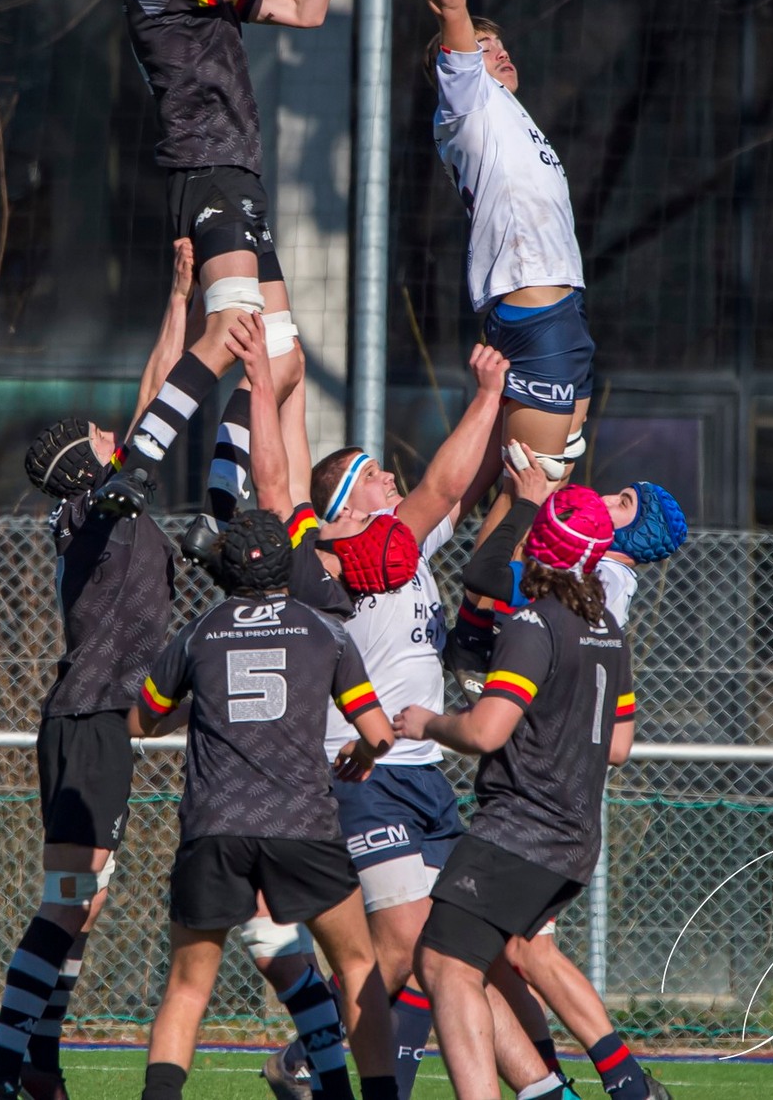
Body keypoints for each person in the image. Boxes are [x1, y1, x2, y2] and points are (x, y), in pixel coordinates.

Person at [0, 244, 324, 1100]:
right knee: (67, 900)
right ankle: (2, 1064)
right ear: (86, 466)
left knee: (81, 900)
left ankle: (36, 1064)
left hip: (91, 723)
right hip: (89, 724)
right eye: (98, 437)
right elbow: (161, 404)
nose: (112, 428)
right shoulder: (98, 506)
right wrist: (216, 343)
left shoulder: (101, 508)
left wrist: (175, 296)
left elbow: (148, 394)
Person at [94, 0, 365, 521]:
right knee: (228, 334)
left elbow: (305, 8)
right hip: (207, 172)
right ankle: (135, 463)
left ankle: (217, 512)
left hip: (234, 177)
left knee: (282, 361)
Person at [303, 347, 525, 1100]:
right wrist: (490, 388)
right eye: (373, 473)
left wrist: (518, 420)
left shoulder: (406, 544)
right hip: (361, 772)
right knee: (401, 944)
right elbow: (443, 482)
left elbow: (467, 481)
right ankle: (315, 1058)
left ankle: (336, 1063)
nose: (389, 478)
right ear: (344, 503)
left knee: (453, 943)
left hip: (423, 772)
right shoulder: (346, 554)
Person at [392, 487, 659, 1100]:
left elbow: (486, 729)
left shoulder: (534, 624)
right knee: (484, 959)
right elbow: (619, 746)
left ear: (538, 546)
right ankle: (591, 1087)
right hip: (573, 839)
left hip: (517, 833)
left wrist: (426, 723)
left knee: (440, 963)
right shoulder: (606, 628)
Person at [129, 507, 401, 1100]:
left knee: (186, 986)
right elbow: (378, 731)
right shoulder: (323, 631)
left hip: (214, 824)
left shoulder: (201, 631)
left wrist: (204, 703)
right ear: (290, 561)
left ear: (226, 564)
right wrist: (365, 749)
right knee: (357, 966)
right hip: (302, 824)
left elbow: (143, 720)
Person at [450, 459, 689, 1100]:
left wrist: (528, 499)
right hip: (565, 807)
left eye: (623, 503)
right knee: (525, 953)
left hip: (535, 803)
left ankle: (558, 1085)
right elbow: (618, 741)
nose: (607, 499)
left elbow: (495, 582)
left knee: (451, 959)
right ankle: (613, 1083)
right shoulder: (606, 591)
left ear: (634, 537)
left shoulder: (595, 585)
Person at [366, 0, 592, 542]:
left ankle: (399, 565)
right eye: (487, 50)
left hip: (561, 311)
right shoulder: (468, 102)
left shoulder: (513, 120)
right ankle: (481, 624)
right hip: (536, 308)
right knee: (536, 486)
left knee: (525, 484)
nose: (502, 55)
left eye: (500, 47)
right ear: (456, 66)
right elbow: (450, 7)